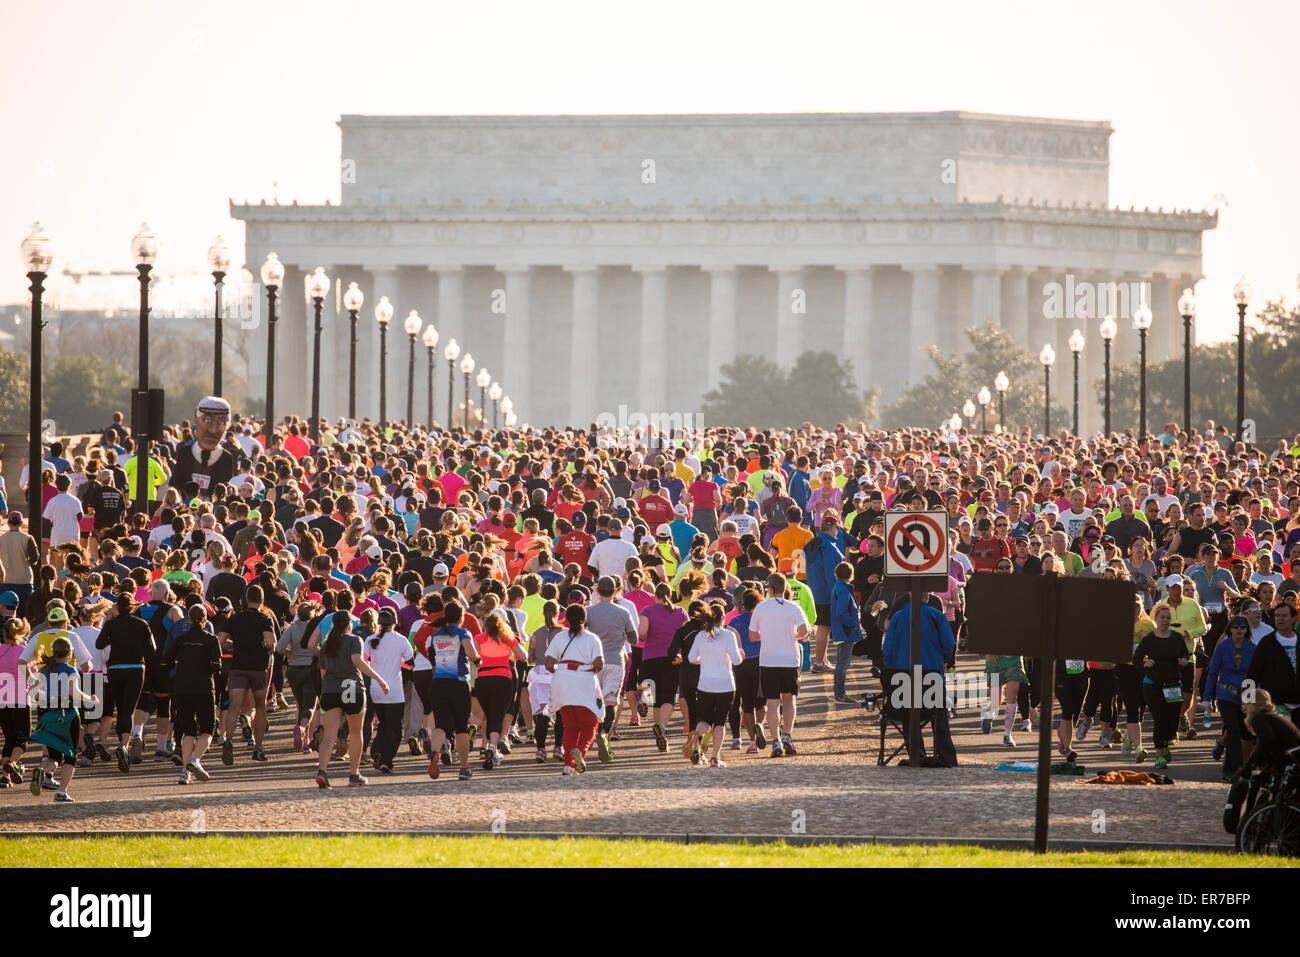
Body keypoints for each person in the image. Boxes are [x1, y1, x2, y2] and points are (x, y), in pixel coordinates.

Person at [311, 610, 389, 788]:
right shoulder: (354, 640)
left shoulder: (325, 645)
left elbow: (323, 673)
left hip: (330, 690)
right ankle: (354, 774)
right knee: (355, 732)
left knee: (329, 735)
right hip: (351, 687)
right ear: (348, 624)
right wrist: (379, 679)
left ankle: (322, 771)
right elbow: (357, 661)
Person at [882, 588, 957, 766]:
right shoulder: (936, 616)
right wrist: (941, 659)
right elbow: (949, 645)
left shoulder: (898, 617)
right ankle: (946, 756)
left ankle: (917, 753)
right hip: (931, 674)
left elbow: (888, 649)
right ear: (927, 596)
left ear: (909, 594)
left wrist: (891, 670)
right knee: (939, 717)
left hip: (902, 676)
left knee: (909, 717)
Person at [26, 636, 100, 801]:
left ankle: (42, 770)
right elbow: (75, 693)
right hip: (68, 715)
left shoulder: (44, 671)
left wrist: (49, 698)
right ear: (69, 653)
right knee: (71, 754)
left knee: (54, 755)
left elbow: (34, 694)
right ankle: (61, 792)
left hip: (48, 714)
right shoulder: (70, 670)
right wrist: (91, 699)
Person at [749, 572, 811, 758]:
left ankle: (775, 741)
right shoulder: (794, 607)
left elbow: (752, 636)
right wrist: (793, 636)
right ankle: (787, 736)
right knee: (789, 699)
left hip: (769, 660)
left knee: (772, 702)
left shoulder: (761, 608)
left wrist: (767, 635)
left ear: (770, 589)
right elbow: (804, 630)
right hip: (789, 659)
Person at [160, 603, 221, 784]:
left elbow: (165, 661)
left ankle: (185, 771)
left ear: (188, 618)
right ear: (205, 619)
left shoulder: (181, 639)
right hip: (203, 687)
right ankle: (195, 760)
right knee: (207, 730)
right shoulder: (211, 639)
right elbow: (216, 666)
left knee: (188, 731)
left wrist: (177, 666)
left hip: (182, 687)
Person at [216, 584, 277, 764]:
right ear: (262, 600)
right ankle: (258, 748)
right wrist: (266, 648)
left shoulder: (235, 619)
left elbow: (220, 641)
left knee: (234, 707)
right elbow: (270, 643)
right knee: (259, 707)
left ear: (244, 600)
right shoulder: (265, 619)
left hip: (238, 667)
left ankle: (228, 740)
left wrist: (231, 645)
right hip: (258, 668)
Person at [95, 593, 154, 772]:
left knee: (121, 709)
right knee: (128, 709)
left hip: (115, 668)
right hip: (135, 667)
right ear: (133, 607)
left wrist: (110, 631)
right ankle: (123, 745)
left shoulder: (112, 625)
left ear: (117, 607)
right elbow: (152, 649)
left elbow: (99, 644)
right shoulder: (142, 624)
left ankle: (123, 744)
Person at [544, 604, 604, 774]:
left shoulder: (559, 638)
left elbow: (549, 664)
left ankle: (568, 765)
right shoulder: (592, 639)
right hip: (584, 681)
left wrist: (562, 671)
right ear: (585, 619)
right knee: (589, 725)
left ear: (567, 619)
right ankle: (580, 754)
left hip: (561, 682)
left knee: (570, 726)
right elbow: (599, 664)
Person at [688, 601, 743, 768]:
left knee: (704, 720)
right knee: (720, 722)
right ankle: (714, 757)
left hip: (705, 684)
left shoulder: (700, 636)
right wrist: (741, 653)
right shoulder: (728, 636)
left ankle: (696, 735)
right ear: (723, 618)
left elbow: (691, 658)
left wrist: (703, 660)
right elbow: (737, 661)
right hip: (725, 685)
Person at [1133, 605, 1188, 770]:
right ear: (1156, 619)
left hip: (1172, 684)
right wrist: (1145, 664)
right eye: (1162, 617)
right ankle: (1159, 755)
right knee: (1160, 719)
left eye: (1168, 617)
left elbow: (1185, 653)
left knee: (1172, 721)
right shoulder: (1149, 639)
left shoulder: (1177, 638)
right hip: (1153, 684)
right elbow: (1137, 660)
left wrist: (1184, 661)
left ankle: (1166, 743)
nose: (1165, 620)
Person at [1204, 615, 1256, 781]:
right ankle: (1231, 770)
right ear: (1230, 630)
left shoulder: (1252, 648)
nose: (1239, 630)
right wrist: (1206, 698)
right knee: (1233, 730)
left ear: (1247, 630)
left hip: (1246, 693)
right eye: (1235, 627)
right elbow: (1212, 673)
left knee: (1244, 731)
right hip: (1226, 693)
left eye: (1242, 627)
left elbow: (1257, 674)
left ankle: (1222, 745)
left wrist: (1257, 697)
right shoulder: (1222, 647)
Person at [364, 606, 414, 774]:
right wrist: (398, 662)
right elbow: (409, 662)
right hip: (394, 691)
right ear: (394, 623)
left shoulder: (370, 640)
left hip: (375, 689)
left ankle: (376, 750)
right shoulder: (401, 640)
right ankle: (386, 760)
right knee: (394, 728)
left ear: (379, 623)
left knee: (383, 724)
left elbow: (363, 661)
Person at [829, 560, 863, 704]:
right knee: (842, 664)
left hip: (842, 630)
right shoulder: (843, 589)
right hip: (845, 631)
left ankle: (839, 693)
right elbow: (841, 611)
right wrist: (853, 625)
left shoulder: (839, 587)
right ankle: (840, 694)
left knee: (841, 664)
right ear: (850, 574)